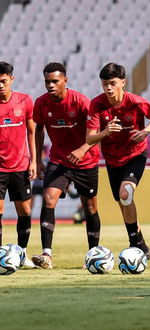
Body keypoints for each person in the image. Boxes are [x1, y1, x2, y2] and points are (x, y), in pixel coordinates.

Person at [86, 63, 150, 259]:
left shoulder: (135, 102)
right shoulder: (97, 104)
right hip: (112, 160)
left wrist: (146, 131)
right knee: (124, 203)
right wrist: (106, 131)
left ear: (123, 82)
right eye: (104, 84)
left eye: (112, 83)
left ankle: (134, 244)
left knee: (125, 194)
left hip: (136, 155)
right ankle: (140, 242)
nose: (108, 88)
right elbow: (89, 138)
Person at [31, 62, 101, 269]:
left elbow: (96, 132)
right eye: (47, 81)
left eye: (55, 81)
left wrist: (82, 150)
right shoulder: (41, 103)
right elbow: (39, 129)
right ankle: (47, 255)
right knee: (48, 198)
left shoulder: (81, 102)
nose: (50, 85)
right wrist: (37, 160)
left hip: (86, 161)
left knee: (90, 208)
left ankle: (93, 254)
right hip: (58, 160)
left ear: (65, 81)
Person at [0, 61, 36, 267]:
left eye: (3, 81)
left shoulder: (24, 101)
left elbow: (31, 132)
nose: (0, 85)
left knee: (25, 212)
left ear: (11, 79)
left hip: (21, 166)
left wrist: (33, 161)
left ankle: (22, 255)